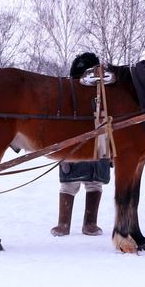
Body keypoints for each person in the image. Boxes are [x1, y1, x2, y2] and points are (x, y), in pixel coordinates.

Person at [51, 52, 110, 236]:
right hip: (74, 137)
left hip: (99, 138)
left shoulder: (104, 94)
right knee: (69, 183)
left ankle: (90, 223)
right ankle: (63, 224)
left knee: (95, 181)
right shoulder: (68, 94)